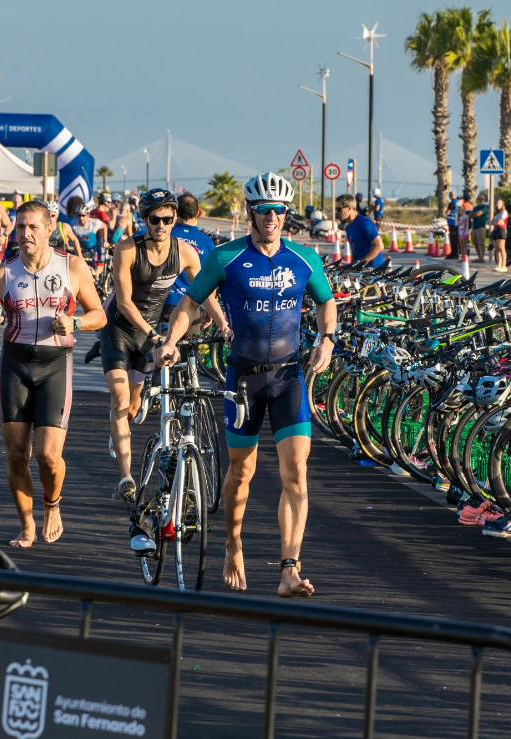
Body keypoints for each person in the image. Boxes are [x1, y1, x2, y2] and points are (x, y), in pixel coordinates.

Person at [155, 171, 337, 599]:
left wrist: (327, 340)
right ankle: (232, 543)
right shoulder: (226, 258)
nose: (272, 218)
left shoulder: (304, 259)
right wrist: (169, 342)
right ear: (250, 213)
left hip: (289, 377)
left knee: (297, 474)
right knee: (243, 471)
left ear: (286, 214)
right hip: (244, 380)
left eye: (278, 211)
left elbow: (327, 303)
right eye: (264, 211)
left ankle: (289, 569)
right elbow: (190, 302)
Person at [0, 200, 106, 547]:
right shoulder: (3, 273)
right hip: (15, 364)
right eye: (21, 226)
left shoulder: (72, 267)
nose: (25, 233)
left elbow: (99, 315)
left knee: (48, 456)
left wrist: (75, 322)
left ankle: (52, 504)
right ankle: (26, 524)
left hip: (55, 364)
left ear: (49, 229)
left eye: (33, 227)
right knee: (16, 454)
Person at [104, 189, 224, 503]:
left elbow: (204, 292)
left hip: (150, 334)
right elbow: (125, 302)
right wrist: (153, 334)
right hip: (120, 329)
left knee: (132, 406)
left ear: (174, 220)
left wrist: (223, 322)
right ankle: (126, 478)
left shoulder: (184, 252)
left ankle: (121, 432)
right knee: (119, 401)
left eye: (168, 219)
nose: (161, 225)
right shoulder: (128, 249)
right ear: (144, 220)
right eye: (155, 220)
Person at [168, 191, 214, 315]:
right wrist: (210, 310)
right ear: (198, 212)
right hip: (192, 307)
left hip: (164, 303)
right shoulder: (207, 242)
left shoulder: (165, 236)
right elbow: (211, 279)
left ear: (175, 212)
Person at [338, 195, 386, 270]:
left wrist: (362, 263)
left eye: (339, 209)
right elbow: (356, 252)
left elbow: (379, 246)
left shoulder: (365, 222)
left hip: (374, 269)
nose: (337, 212)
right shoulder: (348, 227)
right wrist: (352, 267)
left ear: (349, 208)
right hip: (361, 270)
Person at [490, 197, 509, 272]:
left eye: (500, 203)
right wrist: (495, 222)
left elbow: (499, 222)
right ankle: (499, 265)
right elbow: (492, 222)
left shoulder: (504, 212)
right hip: (496, 230)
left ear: (502, 204)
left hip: (501, 230)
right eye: (497, 203)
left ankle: (504, 266)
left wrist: (495, 222)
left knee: (501, 248)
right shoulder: (497, 213)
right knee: (497, 249)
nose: (498, 204)